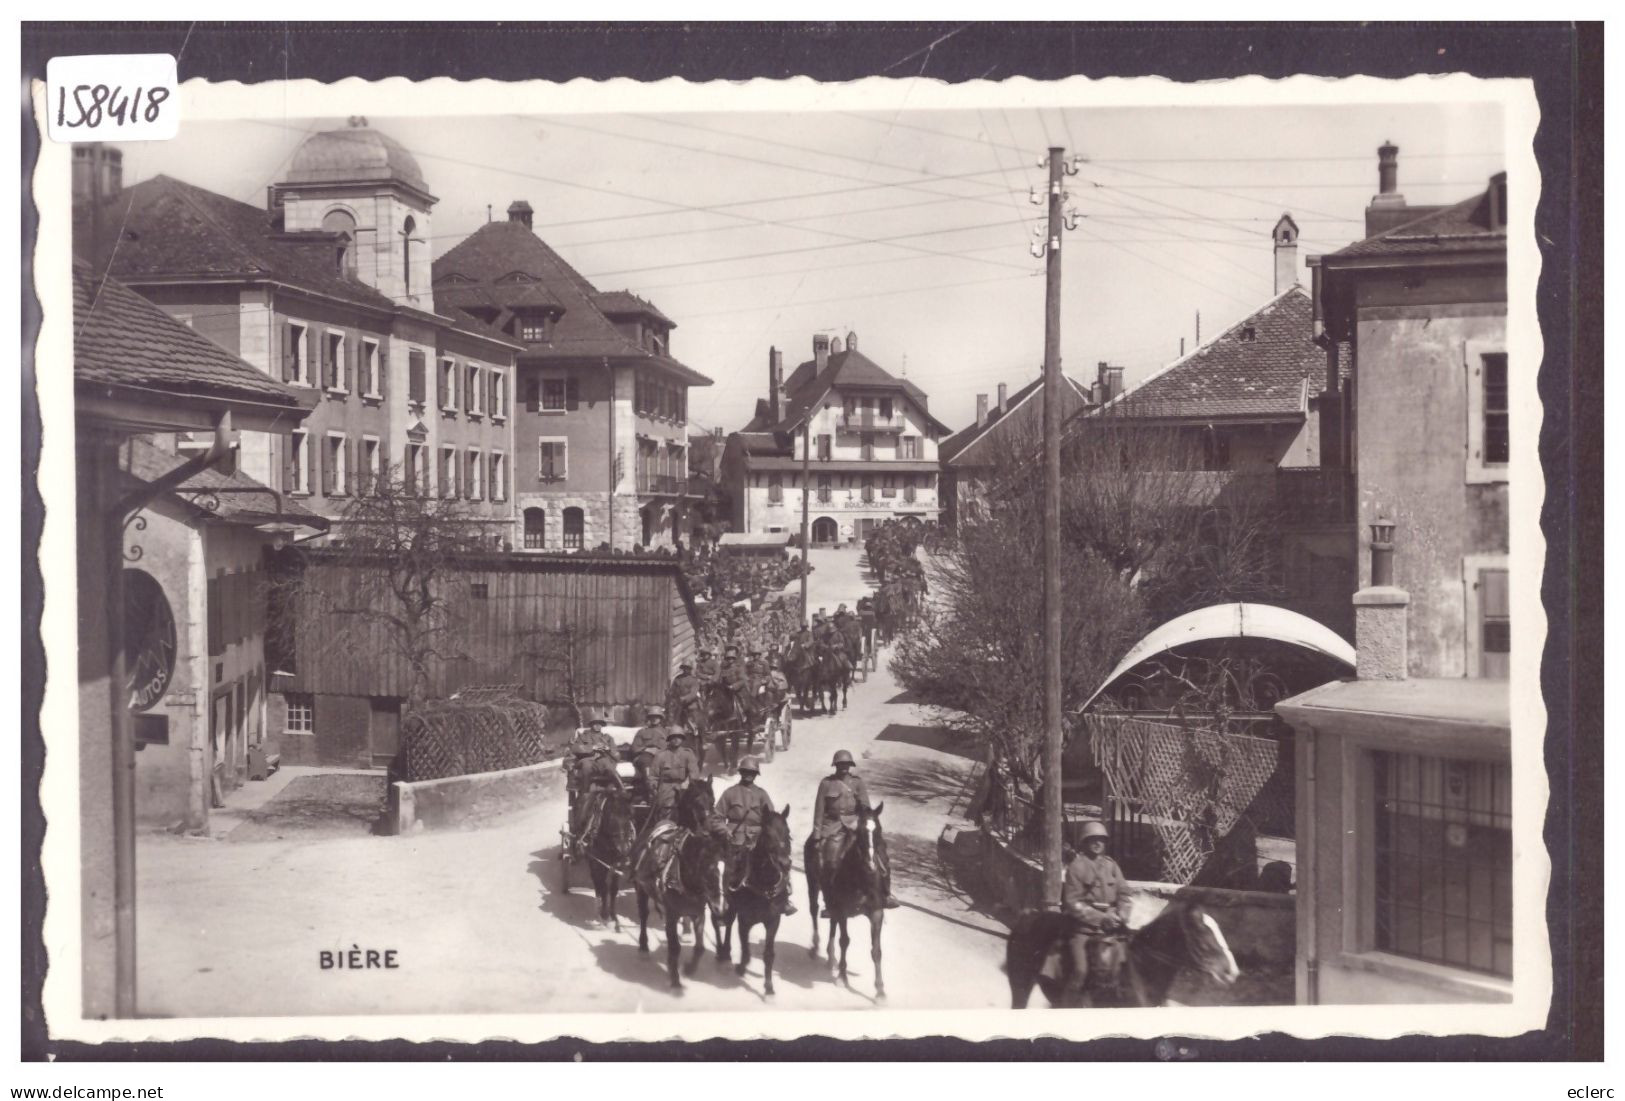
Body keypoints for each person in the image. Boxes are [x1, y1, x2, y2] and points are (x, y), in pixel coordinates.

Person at [813, 750, 900, 909]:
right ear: (836, 765)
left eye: (846, 764)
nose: (844, 767)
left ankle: (886, 893)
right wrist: (817, 835)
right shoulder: (826, 783)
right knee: (831, 861)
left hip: (855, 824)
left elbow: (865, 806)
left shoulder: (857, 783)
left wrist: (866, 822)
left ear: (851, 766)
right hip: (833, 826)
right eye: (840, 764)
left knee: (880, 855)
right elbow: (819, 809)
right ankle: (830, 901)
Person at [1061, 820, 1134, 1003]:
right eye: (1092, 839)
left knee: (1132, 964)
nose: (1097, 843)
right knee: (1081, 970)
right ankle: (1066, 1008)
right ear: (1084, 842)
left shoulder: (1111, 866)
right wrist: (1102, 918)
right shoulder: (1076, 867)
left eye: (1101, 839)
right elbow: (1073, 903)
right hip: (1084, 930)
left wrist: (1123, 912)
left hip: (1113, 927)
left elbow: (1124, 893)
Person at [711, 756, 796, 915]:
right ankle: (726, 901)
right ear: (740, 772)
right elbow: (716, 817)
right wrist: (725, 830)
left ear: (756, 774)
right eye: (745, 771)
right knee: (729, 869)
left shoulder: (762, 794)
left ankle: (785, 898)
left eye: (752, 772)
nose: (748, 775)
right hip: (735, 839)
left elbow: (771, 818)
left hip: (758, 839)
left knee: (778, 861)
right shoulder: (730, 793)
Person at [650, 727, 703, 823]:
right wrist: (653, 786)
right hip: (665, 787)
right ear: (669, 739)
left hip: (683, 787)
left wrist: (687, 783)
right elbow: (653, 775)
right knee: (666, 811)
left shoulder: (688, 754)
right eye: (673, 737)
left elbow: (694, 773)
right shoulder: (661, 755)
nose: (676, 739)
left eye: (679, 737)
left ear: (682, 739)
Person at [630, 705, 669, 795]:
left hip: (662, 756)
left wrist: (659, 751)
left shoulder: (666, 732)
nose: (654, 719)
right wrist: (647, 749)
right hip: (645, 756)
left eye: (657, 716)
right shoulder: (642, 732)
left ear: (661, 718)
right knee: (646, 762)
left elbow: (671, 746)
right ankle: (651, 791)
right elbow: (634, 748)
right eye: (652, 717)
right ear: (649, 718)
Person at [666, 661, 702, 735]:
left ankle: (696, 732)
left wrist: (684, 698)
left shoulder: (694, 680)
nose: (686, 670)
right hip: (679, 704)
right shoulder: (678, 678)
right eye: (684, 668)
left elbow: (693, 693)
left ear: (690, 669)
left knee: (693, 716)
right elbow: (673, 690)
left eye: (687, 668)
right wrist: (670, 694)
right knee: (674, 717)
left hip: (690, 703)